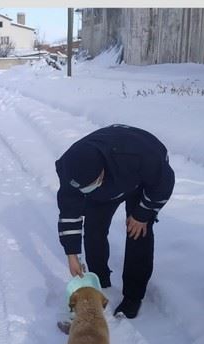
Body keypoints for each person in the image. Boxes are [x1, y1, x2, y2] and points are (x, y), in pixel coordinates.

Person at [55, 124, 175, 319]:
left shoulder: (141, 157)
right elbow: (69, 212)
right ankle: (99, 279)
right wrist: (72, 254)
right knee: (94, 230)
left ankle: (133, 296)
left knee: (138, 232)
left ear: (101, 173)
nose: (86, 191)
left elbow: (163, 185)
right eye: (84, 189)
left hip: (139, 180)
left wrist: (142, 214)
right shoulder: (71, 170)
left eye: (91, 185)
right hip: (107, 187)